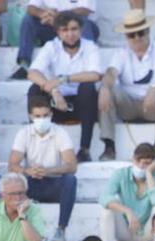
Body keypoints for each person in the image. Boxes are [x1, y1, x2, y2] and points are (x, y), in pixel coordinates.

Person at [100, 10, 155, 162]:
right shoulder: (121, 53)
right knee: (109, 90)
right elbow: (111, 73)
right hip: (128, 106)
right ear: (126, 36)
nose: (137, 38)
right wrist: (104, 87)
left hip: (152, 107)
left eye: (140, 33)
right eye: (131, 35)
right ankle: (109, 146)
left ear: (148, 31)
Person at [27, 13, 101, 162]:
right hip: (56, 104)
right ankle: (38, 146)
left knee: (87, 88)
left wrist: (63, 79)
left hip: (83, 105)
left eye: (74, 29)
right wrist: (53, 90)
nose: (70, 34)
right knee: (34, 90)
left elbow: (95, 75)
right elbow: (32, 72)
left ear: (80, 30)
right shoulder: (51, 46)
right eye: (64, 30)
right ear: (58, 32)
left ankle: (84, 149)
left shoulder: (89, 47)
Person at [9, 94, 79, 241]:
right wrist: (27, 171)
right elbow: (12, 165)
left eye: (45, 115)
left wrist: (47, 171)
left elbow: (72, 165)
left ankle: (61, 230)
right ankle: (16, 229)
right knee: (14, 181)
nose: (42, 119)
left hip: (53, 183)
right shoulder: (24, 133)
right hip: (31, 183)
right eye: (38, 116)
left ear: (51, 114)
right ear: (30, 116)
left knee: (70, 180)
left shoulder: (60, 133)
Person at [97, 142, 155, 241]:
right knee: (106, 210)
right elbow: (104, 197)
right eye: (137, 161)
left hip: (148, 234)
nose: (140, 166)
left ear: (153, 163)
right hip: (125, 231)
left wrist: (149, 174)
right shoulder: (121, 174)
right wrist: (127, 211)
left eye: (146, 163)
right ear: (133, 159)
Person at [12, 0, 102, 80]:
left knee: (83, 22)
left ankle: (88, 66)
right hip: (53, 27)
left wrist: (58, 17)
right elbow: (31, 8)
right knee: (29, 20)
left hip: (78, 28)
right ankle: (24, 64)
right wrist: (43, 14)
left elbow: (84, 10)